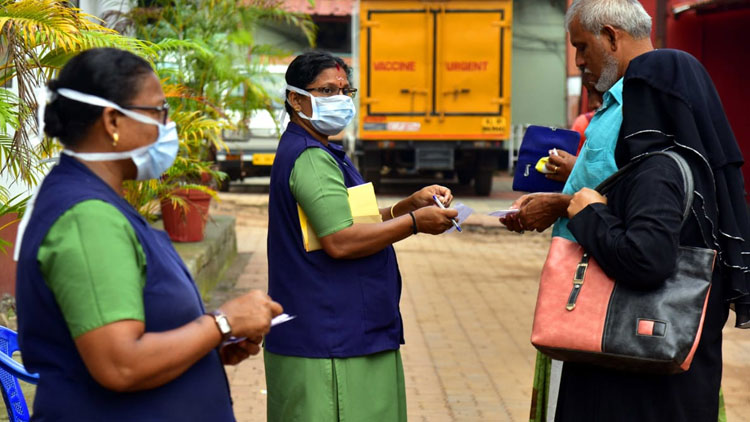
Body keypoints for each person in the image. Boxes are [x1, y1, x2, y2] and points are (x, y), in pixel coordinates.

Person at [14, 48, 283, 421]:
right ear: (112, 121)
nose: (167, 125)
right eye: (158, 112)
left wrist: (207, 347)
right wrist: (222, 322)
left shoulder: (102, 202)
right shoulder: (87, 218)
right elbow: (119, 364)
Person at [558, 46, 750, 421]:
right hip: (681, 370)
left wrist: (590, 213)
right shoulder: (704, 171)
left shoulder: (657, 171)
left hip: (636, 380)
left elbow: (646, 258)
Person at [264, 51, 458, 421]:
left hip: (345, 328)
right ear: (295, 98)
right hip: (330, 336)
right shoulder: (310, 157)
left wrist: (405, 206)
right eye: (325, 91)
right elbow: (340, 240)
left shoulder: (324, 150)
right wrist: (415, 222)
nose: (339, 100)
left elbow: (349, 220)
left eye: (344, 90)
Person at [499, 1, 653, 420]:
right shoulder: (613, 104)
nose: (579, 60)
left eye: (583, 47)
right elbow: (610, 184)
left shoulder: (644, 107)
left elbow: (644, 207)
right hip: (583, 294)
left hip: (613, 304)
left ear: (612, 36)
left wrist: (561, 203)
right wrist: (561, 193)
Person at [544, 73, 604, 183]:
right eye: (590, 93)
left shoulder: (583, 122)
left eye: (601, 94)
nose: (593, 104)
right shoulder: (583, 123)